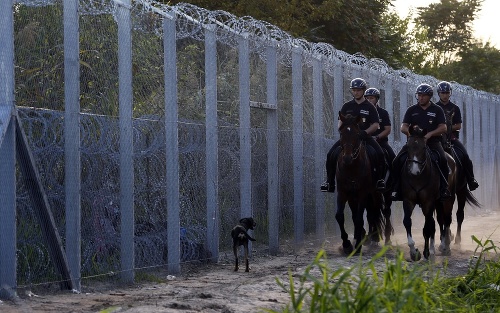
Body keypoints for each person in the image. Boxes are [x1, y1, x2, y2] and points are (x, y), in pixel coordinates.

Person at [320, 78, 386, 193]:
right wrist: (342, 130)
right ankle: (329, 182)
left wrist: (365, 132)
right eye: (354, 90)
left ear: (363, 91)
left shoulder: (369, 106)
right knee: (331, 154)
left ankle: (379, 180)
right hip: (348, 138)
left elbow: (375, 124)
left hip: (364, 137)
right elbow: (340, 121)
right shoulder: (347, 106)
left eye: (358, 90)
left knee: (380, 154)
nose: (356, 92)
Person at [390, 83, 451, 201]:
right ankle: (396, 188)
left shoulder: (437, 110)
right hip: (414, 144)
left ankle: (444, 188)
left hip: (433, 142)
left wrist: (430, 134)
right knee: (397, 160)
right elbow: (403, 126)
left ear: (429, 96)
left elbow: (443, 128)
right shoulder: (411, 110)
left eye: (423, 95)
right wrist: (411, 135)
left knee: (443, 160)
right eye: (419, 95)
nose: (421, 98)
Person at [435, 81, 479, 191]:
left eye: (447, 92)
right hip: (437, 138)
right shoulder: (435, 107)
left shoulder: (455, 108)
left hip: (452, 138)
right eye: (442, 93)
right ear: (438, 93)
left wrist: (448, 128)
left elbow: (458, 125)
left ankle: (471, 180)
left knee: (465, 156)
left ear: (450, 93)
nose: (445, 95)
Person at [364, 88, 396, 175]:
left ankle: (394, 182)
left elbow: (387, 129)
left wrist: (377, 137)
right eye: (367, 98)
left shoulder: (383, 113)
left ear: (377, 99)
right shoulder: (362, 112)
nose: (369, 100)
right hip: (364, 140)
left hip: (380, 142)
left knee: (393, 159)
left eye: (372, 98)